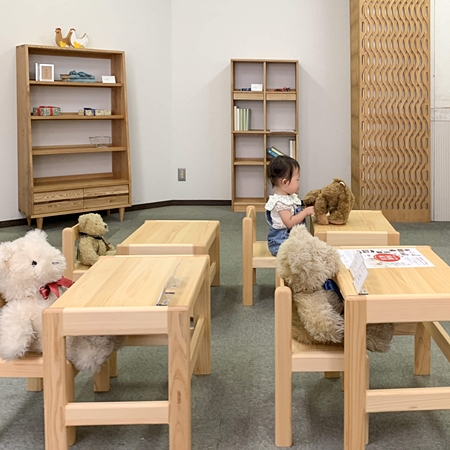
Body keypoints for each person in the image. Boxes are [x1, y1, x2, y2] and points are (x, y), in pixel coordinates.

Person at [265, 155, 315, 256]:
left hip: (290, 239)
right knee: (308, 255)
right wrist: (304, 213)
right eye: (297, 179)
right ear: (285, 182)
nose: (299, 183)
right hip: (281, 243)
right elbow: (290, 223)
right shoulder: (280, 203)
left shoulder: (288, 197)